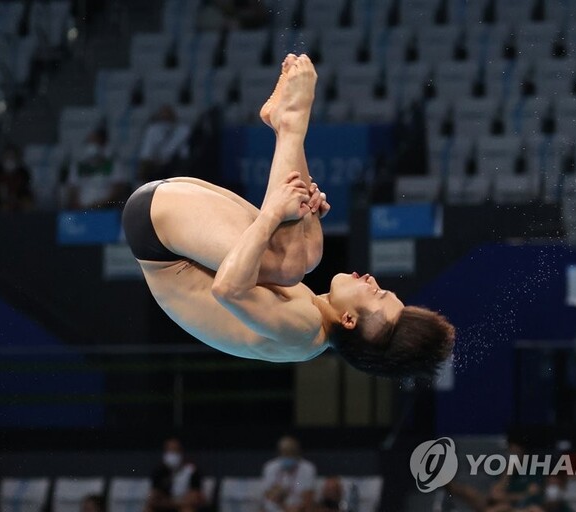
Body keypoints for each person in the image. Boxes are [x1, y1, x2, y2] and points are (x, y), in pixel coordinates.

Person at [121, 54, 455, 379]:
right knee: (306, 249)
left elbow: (228, 289)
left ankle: (291, 123)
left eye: (377, 294)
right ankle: (284, 126)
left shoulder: (303, 330)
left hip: (160, 238)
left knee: (291, 260)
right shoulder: (313, 321)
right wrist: (298, 211)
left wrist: (272, 216)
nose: (373, 281)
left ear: (350, 320)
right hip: (165, 220)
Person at [447, 440, 543, 512]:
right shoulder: (504, 471)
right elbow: (495, 495)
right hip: (499, 506)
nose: (513, 456)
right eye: (511, 453)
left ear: (524, 454)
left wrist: (509, 500)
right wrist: (510, 470)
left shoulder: (534, 471)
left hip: (519, 508)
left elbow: (534, 496)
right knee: (469, 492)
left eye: (517, 453)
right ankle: (442, 480)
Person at [65, 128, 130, 210]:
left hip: (105, 210)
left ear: (103, 144)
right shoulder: (78, 167)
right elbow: (72, 190)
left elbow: (118, 189)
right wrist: (79, 206)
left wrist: (101, 205)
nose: (92, 145)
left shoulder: (114, 166)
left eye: (95, 142)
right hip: (82, 211)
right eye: (90, 142)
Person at [145, 438, 205, 512]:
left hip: (183, 506)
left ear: (181, 452)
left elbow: (194, 498)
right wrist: (169, 502)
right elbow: (153, 497)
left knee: (187, 510)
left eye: (175, 451)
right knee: (148, 509)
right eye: (169, 451)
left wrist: (171, 502)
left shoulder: (192, 471)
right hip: (166, 506)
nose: (172, 454)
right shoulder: (159, 472)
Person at [138, 105, 193, 184]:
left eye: (169, 115)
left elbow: (184, 155)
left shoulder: (183, 131)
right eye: (164, 116)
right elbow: (146, 155)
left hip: (174, 169)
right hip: (156, 169)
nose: (166, 119)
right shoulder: (153, 130)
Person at [260, 436, 316, 512]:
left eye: (291, 452)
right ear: (280, 452)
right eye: (285, 452)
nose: (288, 455)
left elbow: (308, 497)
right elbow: (268, 494)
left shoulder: (307, 468)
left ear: (297, 452)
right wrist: (283, 504)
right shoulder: (270, 467)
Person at [0, 143, 34, 212]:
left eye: (12, 157)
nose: (9, 160)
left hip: (17, 206)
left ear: (17, 159)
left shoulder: (23, 173)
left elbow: (26, 192)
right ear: (3, 157)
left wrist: (17, 200)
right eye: (7, 157)